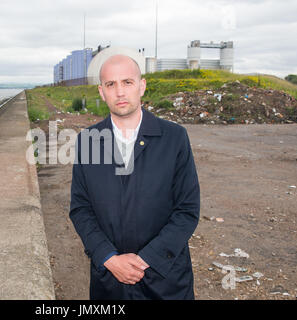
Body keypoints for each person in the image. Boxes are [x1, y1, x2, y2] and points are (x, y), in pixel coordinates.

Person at [69, 54, 200, 300]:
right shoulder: (88, 141)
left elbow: (187, 210)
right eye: (111, 84)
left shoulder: (174, 138)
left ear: (142, 86)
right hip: (109, 282)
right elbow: (80, 209)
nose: (119, 92)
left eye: (127, 82)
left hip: (165, 279)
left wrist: (146, 260)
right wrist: (107, 257)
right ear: (101, 91)